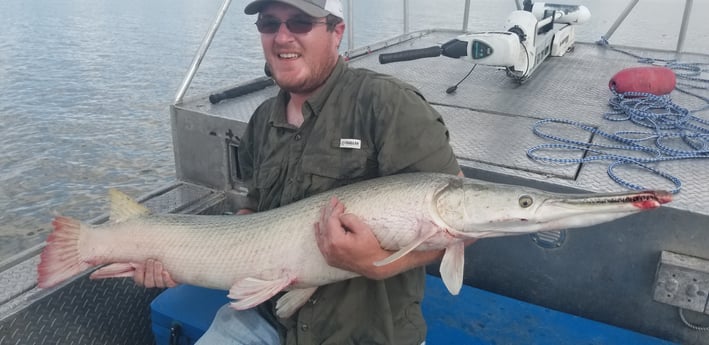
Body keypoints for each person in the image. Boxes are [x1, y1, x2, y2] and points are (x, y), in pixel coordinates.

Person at [135, 0, 469, 343]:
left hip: (362, 334)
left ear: (336, 31)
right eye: (269, 23)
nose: (282, 37)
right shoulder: (262, 120)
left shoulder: (389, 105)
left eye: (299, 22)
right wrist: (180, 259)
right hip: (263, 318)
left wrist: (377, 263)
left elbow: (462, 219)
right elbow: (253, 213)